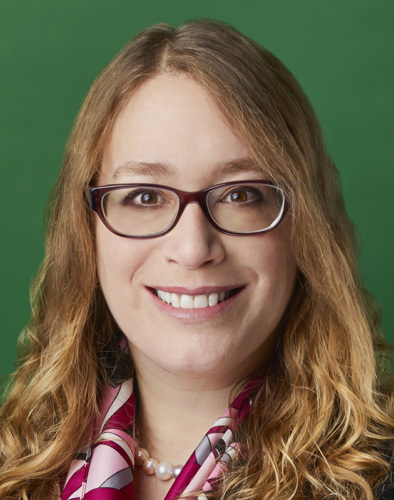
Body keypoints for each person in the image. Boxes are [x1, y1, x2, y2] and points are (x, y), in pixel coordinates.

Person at [0, 19, 393, 500]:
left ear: (305, 227)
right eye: (144, 197)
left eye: (241, 194)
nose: (192, 248)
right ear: (88, 231)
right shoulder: (11, 466)